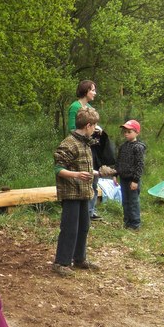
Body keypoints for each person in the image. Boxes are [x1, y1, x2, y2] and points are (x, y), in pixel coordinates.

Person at [52, 107, 101, 277]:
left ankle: (79, 259)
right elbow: (58, 169)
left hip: (84, 192)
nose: (95, 129)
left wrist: (98, 172)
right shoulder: (69, 143)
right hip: (71, 193)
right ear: (88, 125)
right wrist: (77, 175)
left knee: (83, 227)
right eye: (94, 126)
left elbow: (82, 166)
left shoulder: (85, 143)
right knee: (70, 228)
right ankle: (61, 262)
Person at [67, 80, 103, 221]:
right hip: (78, 147)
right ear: (85, 91)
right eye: (92, 90)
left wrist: (98, 130)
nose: (95, 93)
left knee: (94, 178)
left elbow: (92, 126)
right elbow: (72, 129)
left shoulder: (89, 107)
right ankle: (81, 212)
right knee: (82, 178)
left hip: (91, 146)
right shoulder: (75, 107)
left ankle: (90, 211)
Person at [116, 120, 146, 230]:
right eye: (125, 131)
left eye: (129, 131)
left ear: (136, 132)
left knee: (133, 201)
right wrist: (116, 174)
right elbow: (119, 161)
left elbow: (139, 164)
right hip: (123, 178)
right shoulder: (123, 146)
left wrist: (135, 180)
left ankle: (135, 223)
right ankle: (127, 221)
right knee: (125, 201)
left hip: (132, 179)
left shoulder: (138, 147)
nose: (126, 134)